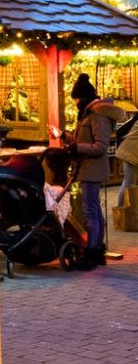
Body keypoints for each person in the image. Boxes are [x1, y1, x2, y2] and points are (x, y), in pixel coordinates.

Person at [63, 73, 125, 271]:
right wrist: (67, 137)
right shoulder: (89, 114)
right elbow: (85, 139)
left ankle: (92, 251)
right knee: (94, 209)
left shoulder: (97, 115)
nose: (75, 103)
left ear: (83, 98)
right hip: (88, 168)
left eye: (76, 99)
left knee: (91, 211)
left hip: (93, 169)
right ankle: (96, 248)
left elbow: (100, 146)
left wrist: (77, 148)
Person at [115, 114, 138, 207]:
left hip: (131, 153)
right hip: (131, 155)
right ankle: (121, 212)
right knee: (129, 185)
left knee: (128, 183)